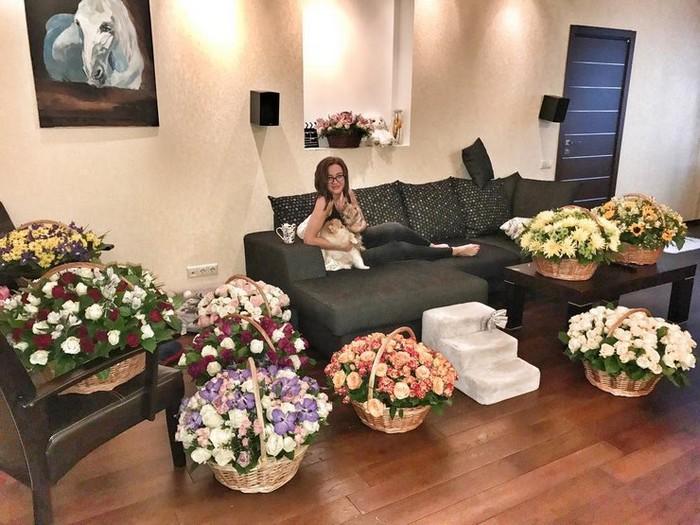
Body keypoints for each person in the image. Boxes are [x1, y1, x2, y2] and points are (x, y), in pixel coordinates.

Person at [302, 156, 480, 266]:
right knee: (398, 249)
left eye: (339, 176)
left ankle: (431, 247)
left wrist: (349, 214)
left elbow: (362, 226)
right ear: (323, 180)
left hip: (357, 238)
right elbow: (309, 239)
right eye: (330, 178)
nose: (335, 181)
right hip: (346, 252)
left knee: (394, 228)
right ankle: (453, 251)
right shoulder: (324, 201)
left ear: (345, 176)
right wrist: (342, 245)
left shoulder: (348, 193)